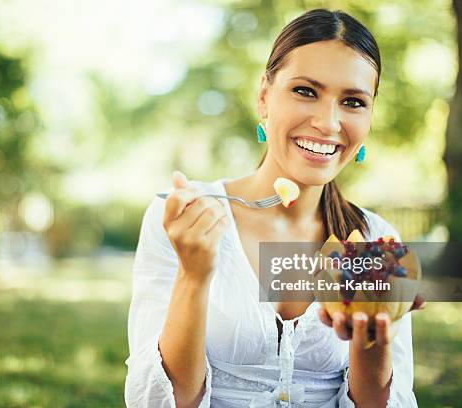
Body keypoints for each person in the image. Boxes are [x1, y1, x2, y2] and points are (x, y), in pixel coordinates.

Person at [125, 8, 424, 408]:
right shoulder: (184, 220)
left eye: (353, 101)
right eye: (305, 91)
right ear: (264, 97)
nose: (329, 123)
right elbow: (158, 401)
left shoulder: (374, 240)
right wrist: (193, 277)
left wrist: (373, 336)